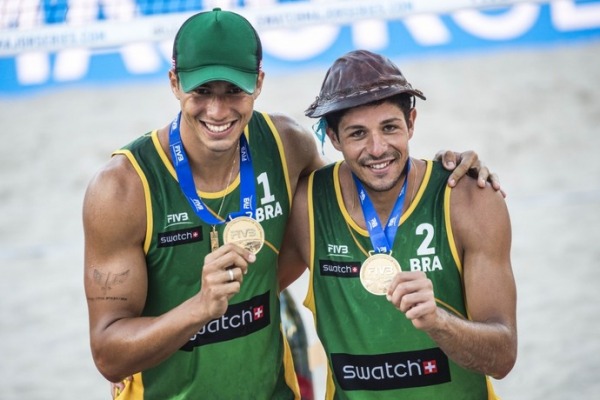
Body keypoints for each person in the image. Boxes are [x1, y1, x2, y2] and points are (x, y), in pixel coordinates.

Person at [82, 8, 501, 400]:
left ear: (259, 84)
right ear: (174, 83)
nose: (217, 108)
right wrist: (198, 310)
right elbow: (108, 354)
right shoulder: (122, 188)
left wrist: (451, 169)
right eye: (202, 91)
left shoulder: (286, 145)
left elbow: (361, 184)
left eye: (233, 90)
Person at [278, 49, 517, 399]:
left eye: (389, 127)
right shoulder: (307, 205)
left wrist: (438, 321)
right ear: (333, 138)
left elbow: (502, 357)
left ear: (412, 122)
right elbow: (252, 297)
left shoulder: (468, 199)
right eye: (358, 134)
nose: (377, 149)